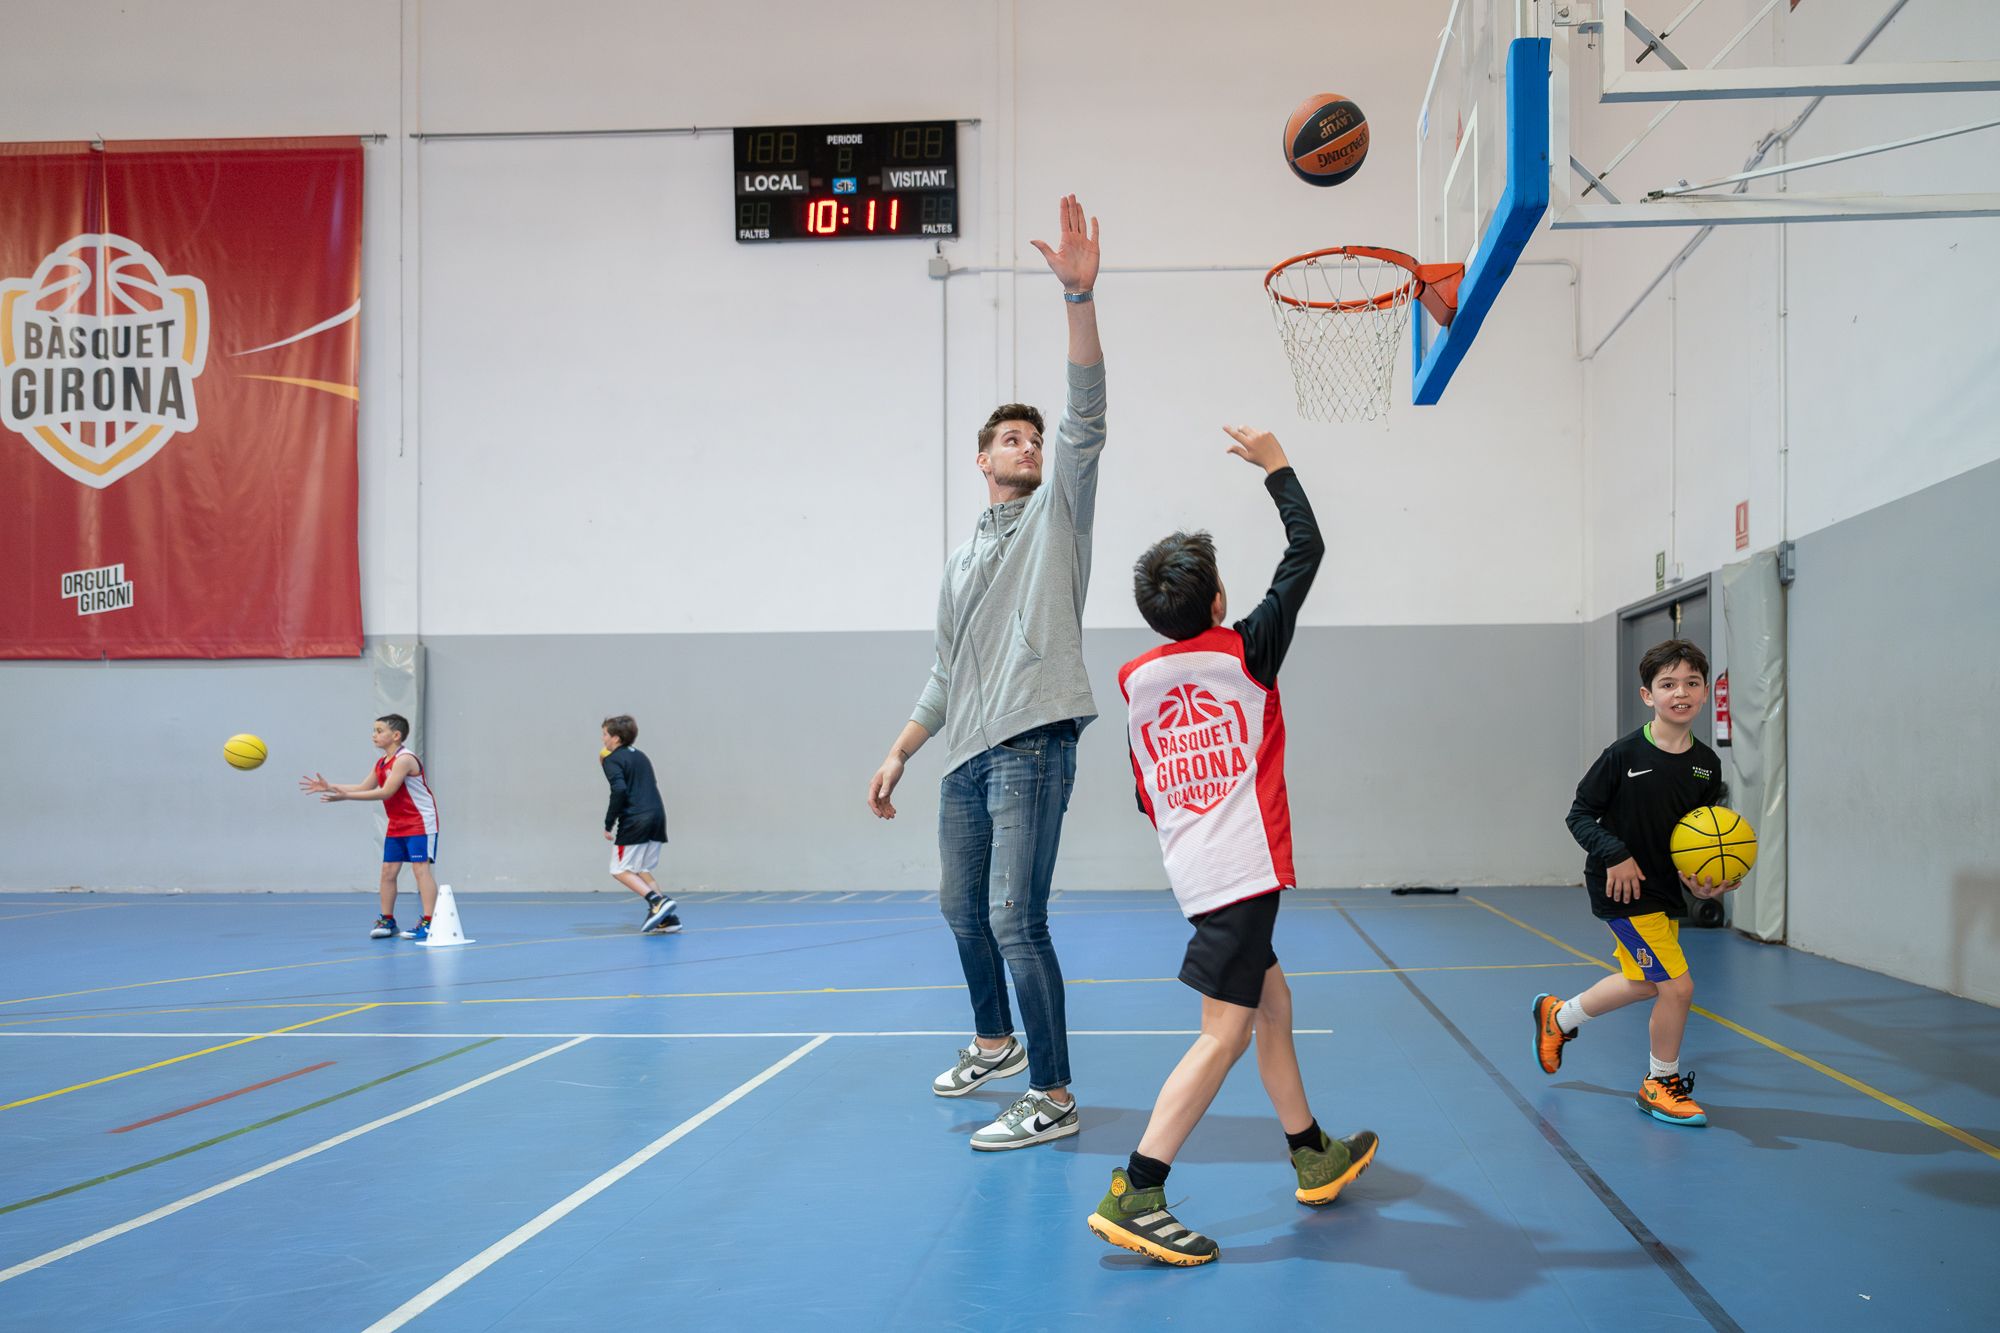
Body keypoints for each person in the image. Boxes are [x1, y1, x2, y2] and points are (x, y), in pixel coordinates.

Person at [1087, 427, 1377, 1266]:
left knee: (1273, 1005)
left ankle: (1312, 1152)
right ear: (1216, 601)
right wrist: (1278, 463)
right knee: (1225, 1032)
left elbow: (1146, 792)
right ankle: (1137, 1187)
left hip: (1200, 872)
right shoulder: (1247, 648)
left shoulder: (1138, 682)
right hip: (1244, 870)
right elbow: (1307, 547)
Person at [866, 195, 1102, 1151]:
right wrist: (899, 752)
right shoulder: (963, 559)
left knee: (1016, 916)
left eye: (1034, 440)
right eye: (1012, 439)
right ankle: (996, 1041)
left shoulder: (1056, 521)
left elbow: (1087, 415)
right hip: (963, 753)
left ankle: (1052, 1091)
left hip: (1033, 740)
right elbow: (942, 671)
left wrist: (1079, 297)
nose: (1030, 448)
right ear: (980, 459)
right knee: (960, 908)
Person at [1533, 638, 1741, 1126]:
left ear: (1706, 692)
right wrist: (1616, 853)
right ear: (1648, 695)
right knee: (1677, 988)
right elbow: (1580, 815)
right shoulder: (1622, 754)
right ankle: (1659, 1084)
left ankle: (1559, 1017)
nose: (1680, 692)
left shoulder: (1706, 766)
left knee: (1645, 984)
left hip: (1663, 893)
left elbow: (1694, 838)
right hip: (1621, 892)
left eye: (1691, 683)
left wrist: (1703, 883)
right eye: (1668, 684)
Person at [301, 713, 441, 941]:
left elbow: (386, 792)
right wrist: (330, 786)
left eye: (379, 730)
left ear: (395, 735)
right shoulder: (381, 763)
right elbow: (363, 786)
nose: (373, 735)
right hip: (397, 823)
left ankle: (429, 921)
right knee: (388, 871)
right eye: (374, 730)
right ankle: (387, 920)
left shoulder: (405, 759)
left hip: (419, 822)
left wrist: (345, 797)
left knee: (419, 869)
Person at [601, 714, 678, 933]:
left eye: (605, 734)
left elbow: (619, 790)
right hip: (657, 816)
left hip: (636, 820)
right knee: (641, 869)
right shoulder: (642, 756)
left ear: (616, 738)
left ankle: (657, 901)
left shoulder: (612, 759)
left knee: (619, 869)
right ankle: (667, 919)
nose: (603, 739)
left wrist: (609, 823)